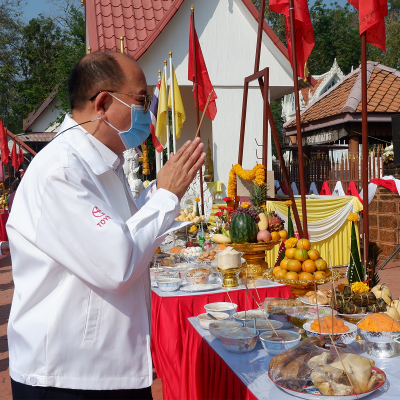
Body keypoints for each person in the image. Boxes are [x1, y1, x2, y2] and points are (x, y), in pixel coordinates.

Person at [7, 52, 205, 399]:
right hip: (66, 377)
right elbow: (117, 262)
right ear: (103, 104)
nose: (149, 113)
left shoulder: (102, 165)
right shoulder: (62, 172)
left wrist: (160, 191)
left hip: (106, 369)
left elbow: (123, 230)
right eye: (142, 101)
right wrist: (166, 197)